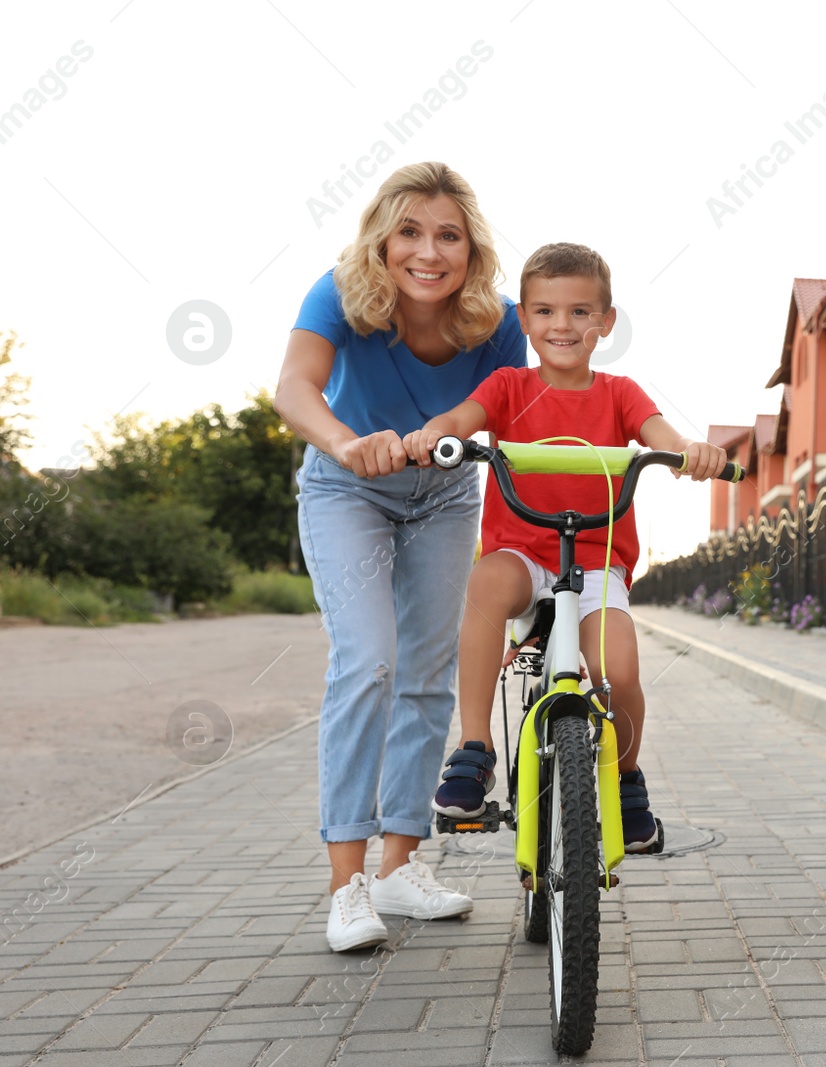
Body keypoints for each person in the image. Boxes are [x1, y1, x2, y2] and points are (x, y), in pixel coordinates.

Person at [274, 162, 527, 952]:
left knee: (426, 672)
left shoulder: (498, 321)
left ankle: (400, 866)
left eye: (447, 234)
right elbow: (293, 388)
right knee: (369, 661)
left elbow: (518, 423)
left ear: (470, 247)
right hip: (348, 487)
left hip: (446, 496)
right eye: (410, 231)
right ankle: (346, 885)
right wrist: (350, 445)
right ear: (383, 239)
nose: (428, 251)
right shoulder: (340, 294)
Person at [403, 242, 725, 852]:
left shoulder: (620, 393)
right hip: (523, 553)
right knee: (485, 585)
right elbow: (461, 418)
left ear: (605, 322)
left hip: (597, 560)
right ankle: (476, 746)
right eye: (546, 311)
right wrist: (436, 433)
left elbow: (662, 435)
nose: (563, 325)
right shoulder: (507, 385)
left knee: (616, 669)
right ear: (523, 319)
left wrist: (689, 452)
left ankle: (627, 780)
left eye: (581, 312)